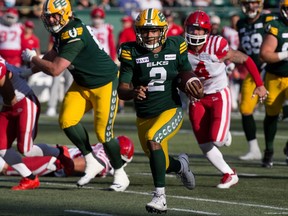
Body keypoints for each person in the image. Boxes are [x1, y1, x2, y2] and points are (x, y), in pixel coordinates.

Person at [21, 0, 129, 191]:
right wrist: (30, 71)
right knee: (67, 121)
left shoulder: (73, 34)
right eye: (49, 16)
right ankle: (90, 160)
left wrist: (33, 58)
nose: (52, 19)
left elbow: (55, 70)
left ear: (65, 14)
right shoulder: (63, 31)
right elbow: (54, 53)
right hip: (82, 82)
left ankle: (120, 172)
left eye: (55, 15)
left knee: (104, 133)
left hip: (105, 83)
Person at [117, 8, 197, 214]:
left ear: (163, 30)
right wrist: (133, 92)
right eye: (145, 30)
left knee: (154, 139)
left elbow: (185, 70)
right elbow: (122, 89)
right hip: (144, 114)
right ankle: (181, 166)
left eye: (154, 30)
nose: (150, 35)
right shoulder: (130, 50)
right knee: (159, 159)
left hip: (170, 109)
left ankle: (160, 197)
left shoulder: (176, 44)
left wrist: (191, 81)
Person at [184, 10, 268, 188]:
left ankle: (224, 135)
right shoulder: (180, 47)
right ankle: (229, 174)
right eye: (192, 28)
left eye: (200, 29)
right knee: (204, 142)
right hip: (196, 98)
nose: (196, 33)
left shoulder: (216, 44)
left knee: (218, 140)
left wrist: (259, 84)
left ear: (207, 31)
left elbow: (245, 59)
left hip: (218, 93)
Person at [0, 57, 73, 190]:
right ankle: (30, 178)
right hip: (8, 105)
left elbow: (10, 96)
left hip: (24, 101)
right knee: (1, 147)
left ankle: (59, 152)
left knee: (26, 150)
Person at [236, 0, 276, 161]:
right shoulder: (240, 23)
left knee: (275, 109)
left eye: (254, 2)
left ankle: (273, 148)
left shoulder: (269, 19)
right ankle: (254, 149)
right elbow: (243, 48)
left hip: (272, 70)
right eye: (248, 3)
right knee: (245, 108)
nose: (251, 6)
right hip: (253, 73)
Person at [0, 135, 134, 178]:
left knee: (6, 165)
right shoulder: (104, 159)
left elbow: (77, 163)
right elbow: (75, 163)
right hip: (58, 159)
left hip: (56, 159)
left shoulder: (104, 157)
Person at [259, 0, 288, 168]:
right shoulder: (275, 26)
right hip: (275, 77)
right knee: (271, 114)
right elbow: (265, 54)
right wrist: (285, 54)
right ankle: (269, 150)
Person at [117, 15, 136, 114]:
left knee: (131, 83)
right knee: (125, 83)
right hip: (129, 59)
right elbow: (121, 45)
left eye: (126, 22)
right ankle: (121, 106)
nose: (124, 24)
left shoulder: (131, 31)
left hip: (134, 60)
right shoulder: (125, 31)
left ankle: (134, 104)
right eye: (123, 22)